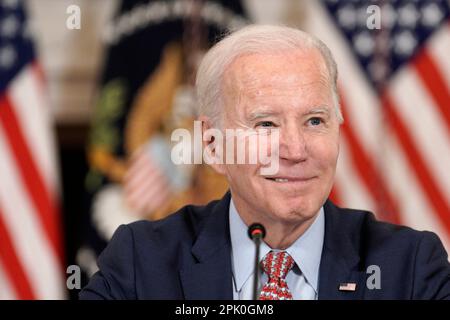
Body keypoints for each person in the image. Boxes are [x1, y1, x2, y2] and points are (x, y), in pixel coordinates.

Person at [79, 25, 450, 300]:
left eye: (315, 121)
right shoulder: (140, 264)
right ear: (212, 146)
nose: (295, 149)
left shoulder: (409, 268)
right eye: (266, 124)